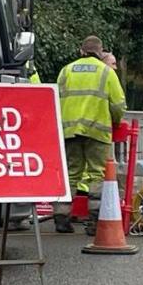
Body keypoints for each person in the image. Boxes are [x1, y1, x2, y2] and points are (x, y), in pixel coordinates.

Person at [53, 36, 127, 231]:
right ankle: (95, 221)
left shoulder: (66, 71)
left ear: (81, 51)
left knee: (70, 173)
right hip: (97, 130)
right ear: (100, 53)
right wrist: (116, 122)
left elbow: (55, 99)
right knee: (96, 175)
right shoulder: (106, 72)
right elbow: (118, 105)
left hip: (69, 130)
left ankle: (61, 217)